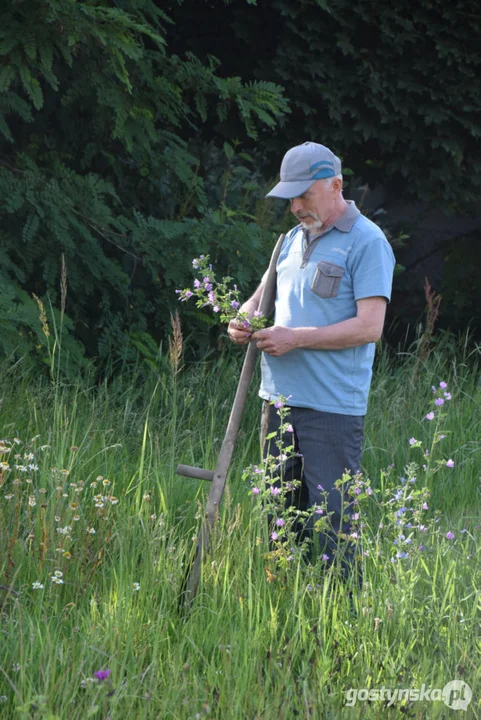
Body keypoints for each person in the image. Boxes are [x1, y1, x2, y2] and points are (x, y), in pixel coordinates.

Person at [228, 141, 396, 582]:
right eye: (291, 198)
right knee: (280, 525)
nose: (297, 206)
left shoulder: (367, 242)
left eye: (306, 195)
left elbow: (369, 327)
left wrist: (295, 339)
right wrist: (241, 319)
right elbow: (262, 297)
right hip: (277, 403)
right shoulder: (288, 241)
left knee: (333, 531)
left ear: (336, 185)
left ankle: (340, 629)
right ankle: (283, 614)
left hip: (332, 410)